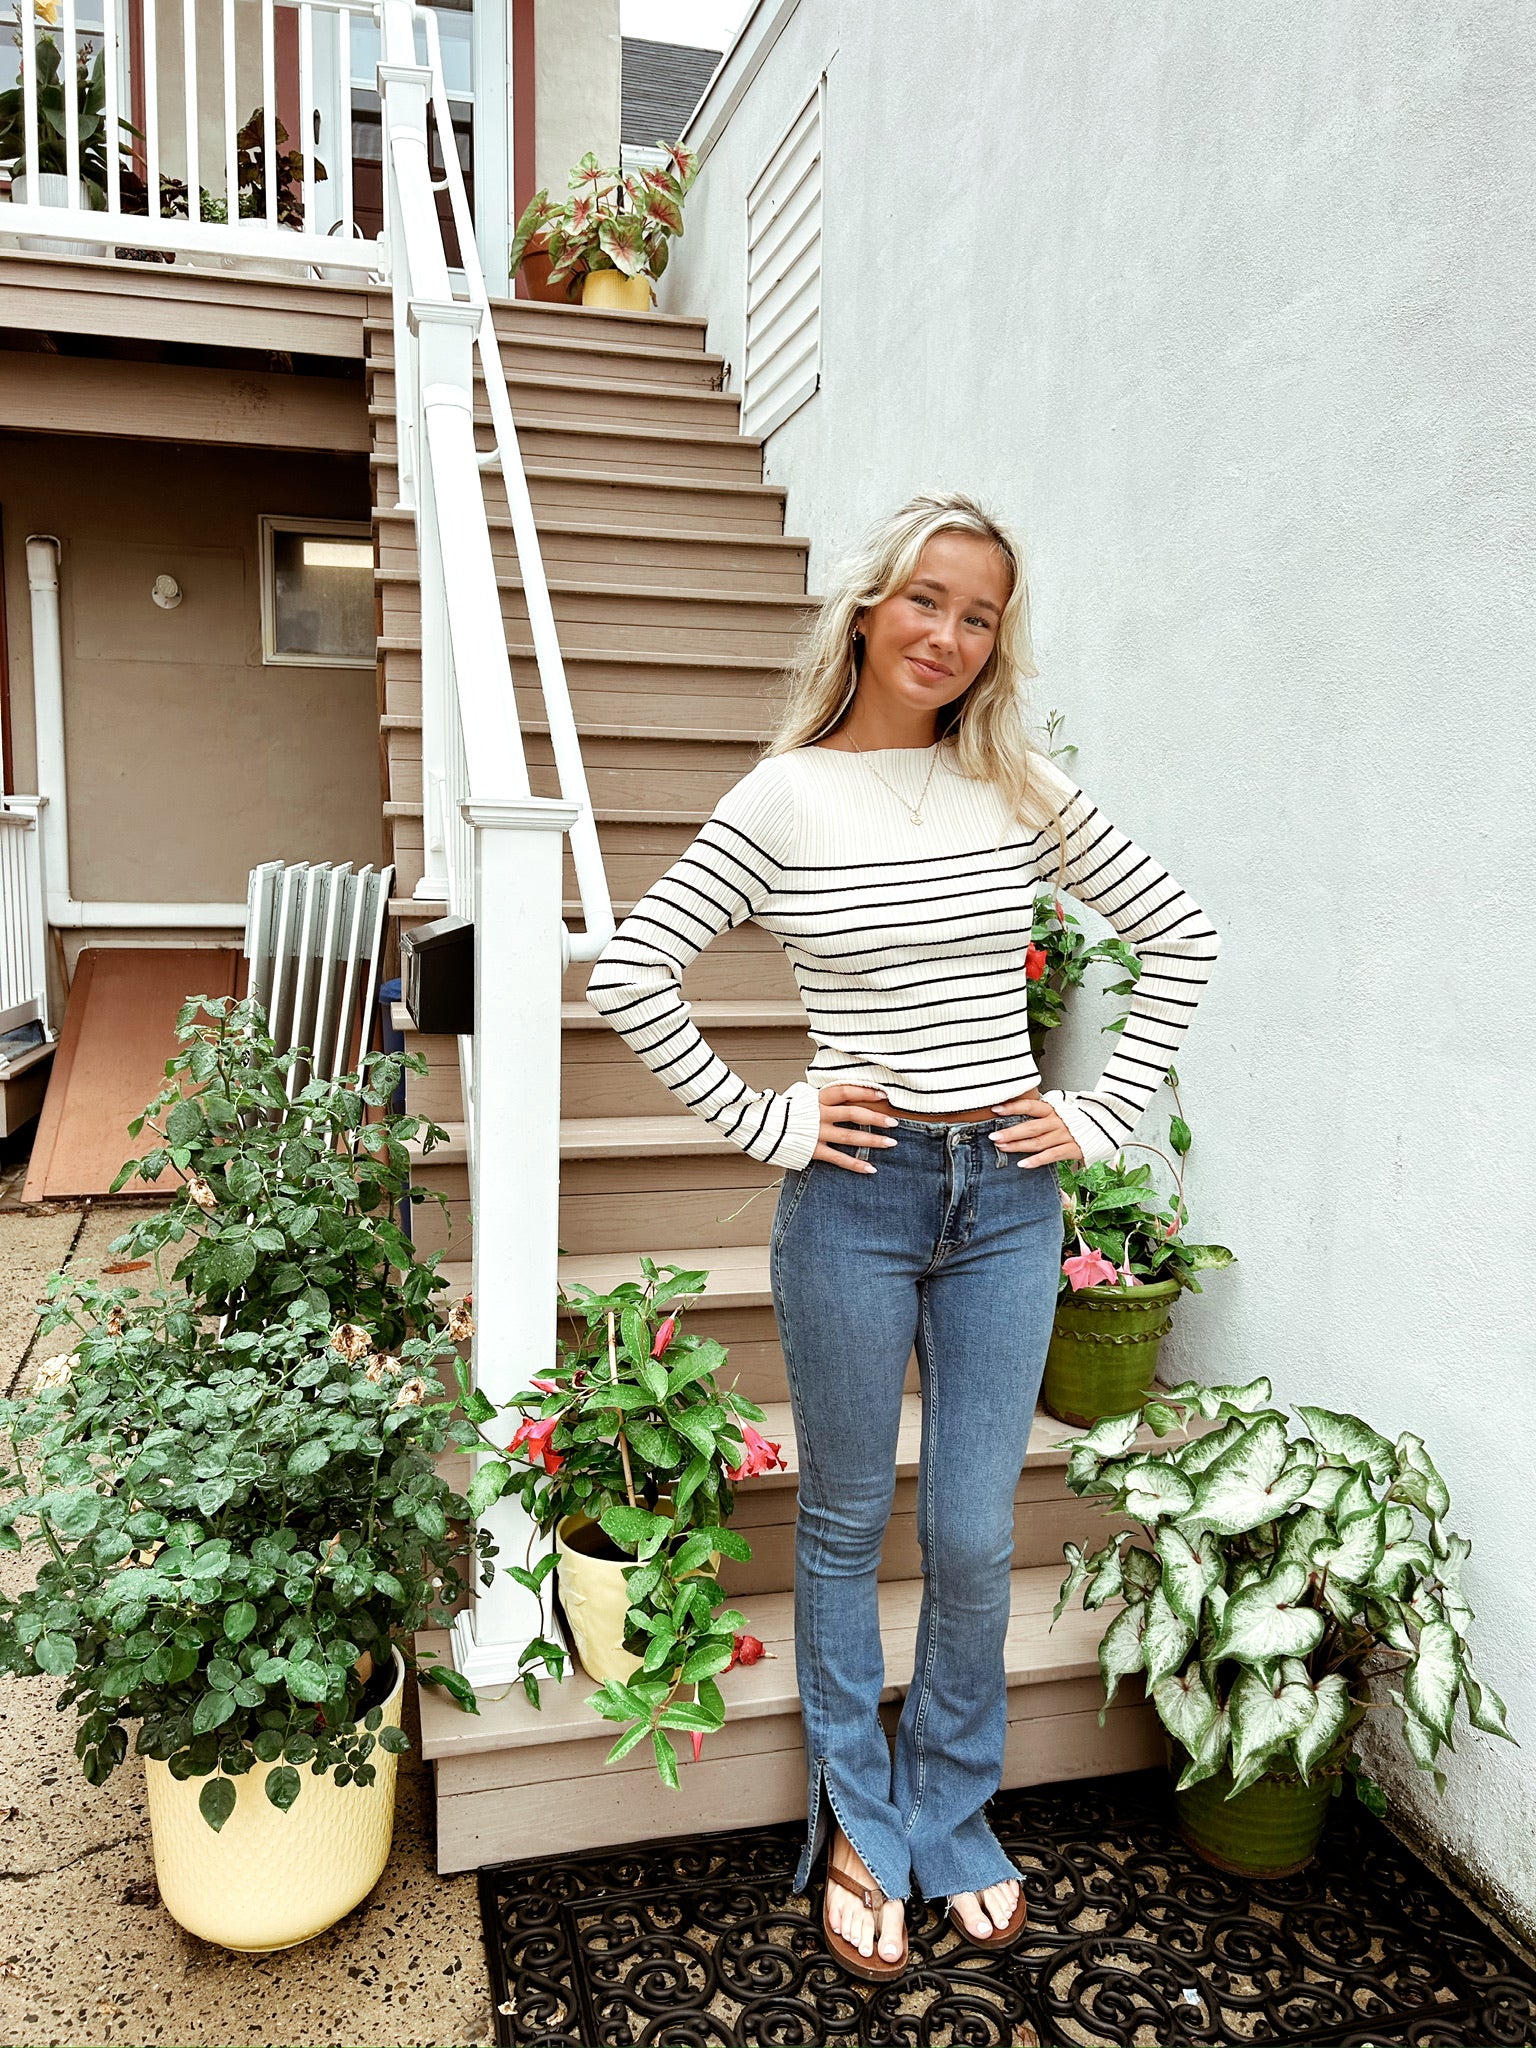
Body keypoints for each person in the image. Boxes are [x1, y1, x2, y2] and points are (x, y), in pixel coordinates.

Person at [586, 490, 1220, 1981]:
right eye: (927, 599)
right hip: (856, 1203)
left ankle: (953, 1806)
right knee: (845, 1523)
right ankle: (863, 1825)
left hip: (1007, 1195)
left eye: (981, 613)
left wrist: (1109, 1112)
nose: (949, 633)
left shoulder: (1018, 784)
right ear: (869, 608)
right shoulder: (784, 797)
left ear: (999, 640)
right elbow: (634, 968)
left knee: (977, 1531)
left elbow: (1180, 931)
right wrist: (771, 1121)